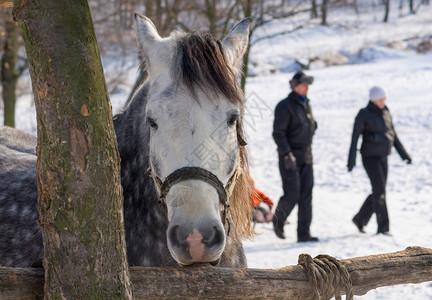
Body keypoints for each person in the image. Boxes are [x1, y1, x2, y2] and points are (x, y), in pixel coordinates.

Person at [347, 86, 412, 235]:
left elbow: (393, 135)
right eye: (381, 99)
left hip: (383, 156)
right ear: (374, 99)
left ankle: (360, 219)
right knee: (380, 191)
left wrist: (404, 155)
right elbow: (354, 138)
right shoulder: (364, 114)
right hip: (370, 157)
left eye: (385, 99)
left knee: (379, 191)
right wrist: (351, 160)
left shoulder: (386, 112)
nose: (383, 102)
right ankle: (384, 228)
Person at [272, 71, 318, 242]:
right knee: (293, 194)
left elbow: (309, 125)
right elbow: (278, 133)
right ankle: (278, 221)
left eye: (307, 85)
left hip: (306, 155)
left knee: (307, 194)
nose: (306, 88)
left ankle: (304, 233)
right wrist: (286, 153)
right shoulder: (284, 106)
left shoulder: (306, 104)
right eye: (303, 85)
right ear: (295, 86)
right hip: (289, 156)